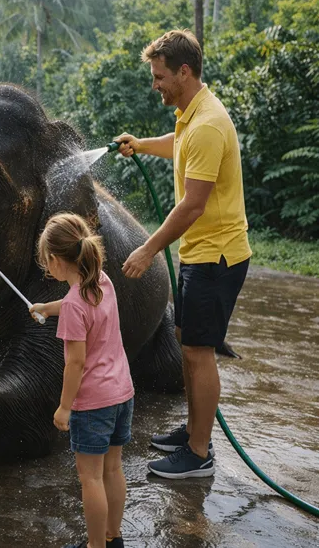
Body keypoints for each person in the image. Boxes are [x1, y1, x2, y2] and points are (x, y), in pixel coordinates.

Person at [115, 29, 251, 479]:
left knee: (197, 351)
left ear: (184, 72)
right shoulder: (192, 116)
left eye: (159, 76)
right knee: (187, 341)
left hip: (217, 256)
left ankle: (198, 453)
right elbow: (179, 148)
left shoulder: (209, 124)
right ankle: (195, 431)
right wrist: (142, 144)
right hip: (201, 252)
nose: (155, 84)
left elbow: (192, 204)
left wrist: (149, 249)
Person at [30, 213, 134, 548]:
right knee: (113, 470)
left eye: (47, 262)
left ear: (56, 261)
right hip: (122, 393)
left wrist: (63, 408)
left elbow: (75, 363)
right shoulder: (102, 281)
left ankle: (94, 545)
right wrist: (48, 307)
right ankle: (112, 537)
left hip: (93, 403)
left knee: (89, 477)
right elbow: (79, 304)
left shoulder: (75, 305)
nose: (48, 269)